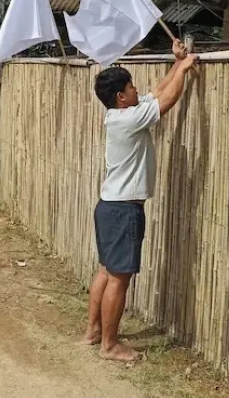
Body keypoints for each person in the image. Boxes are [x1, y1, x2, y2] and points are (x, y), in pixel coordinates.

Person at [83, 40, 199, 362]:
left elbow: (158, 91)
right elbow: (168, 99)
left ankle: (93, 332)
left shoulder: (120, 115)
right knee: (119, 279)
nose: (138, 90)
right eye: (132, 87)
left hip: (109, 206)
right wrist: (187, 68)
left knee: (106, 272)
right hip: (124, 210)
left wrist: (177, 63)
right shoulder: (128, 120)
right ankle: (109, 345)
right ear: (121, 96)